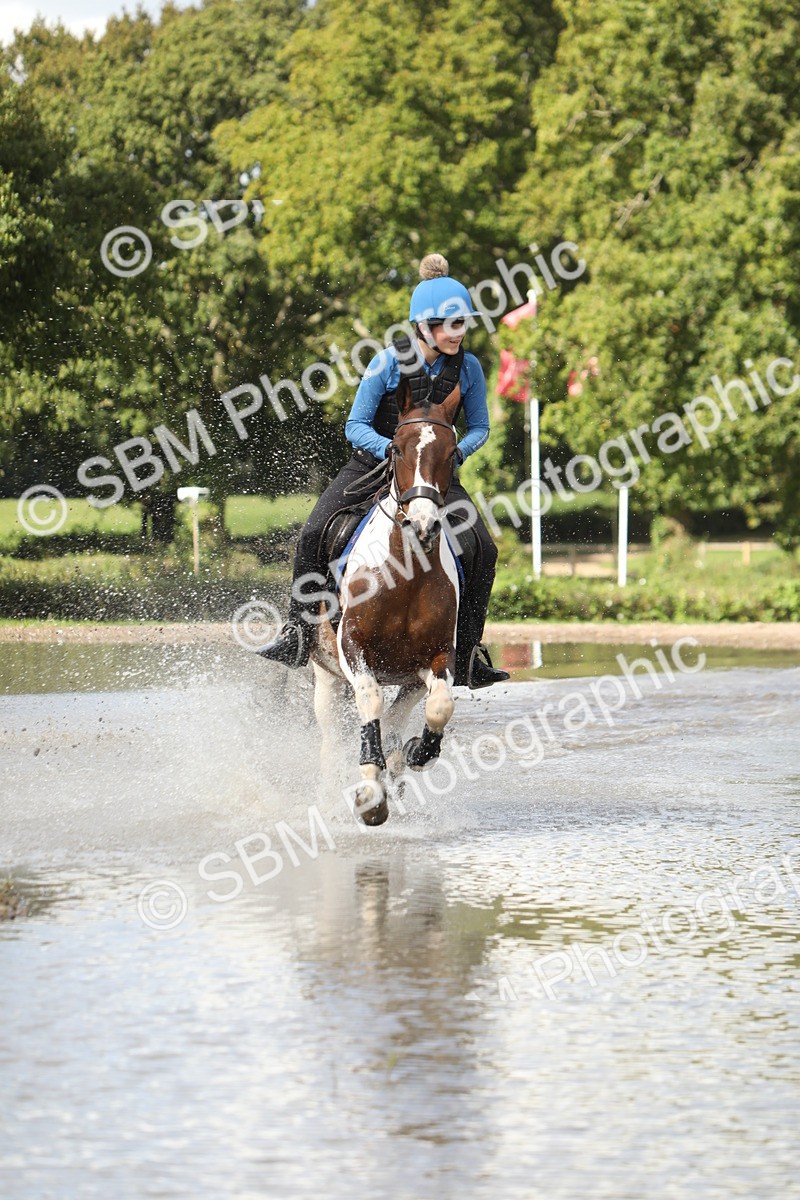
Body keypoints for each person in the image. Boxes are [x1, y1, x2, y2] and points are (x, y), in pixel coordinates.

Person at [259, 253, 509, 689]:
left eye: (463, 324)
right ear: (422, 326)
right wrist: (393, 453)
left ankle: (469, 653)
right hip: (372, 463)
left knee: (484, 550)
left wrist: (454, 454)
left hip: (433, 476)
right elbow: (354, 424)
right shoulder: (386, 362)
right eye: (450, 325)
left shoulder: (468, 368)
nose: (460, 332)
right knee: (315, 532)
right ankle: (297, 632)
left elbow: (481, 428)